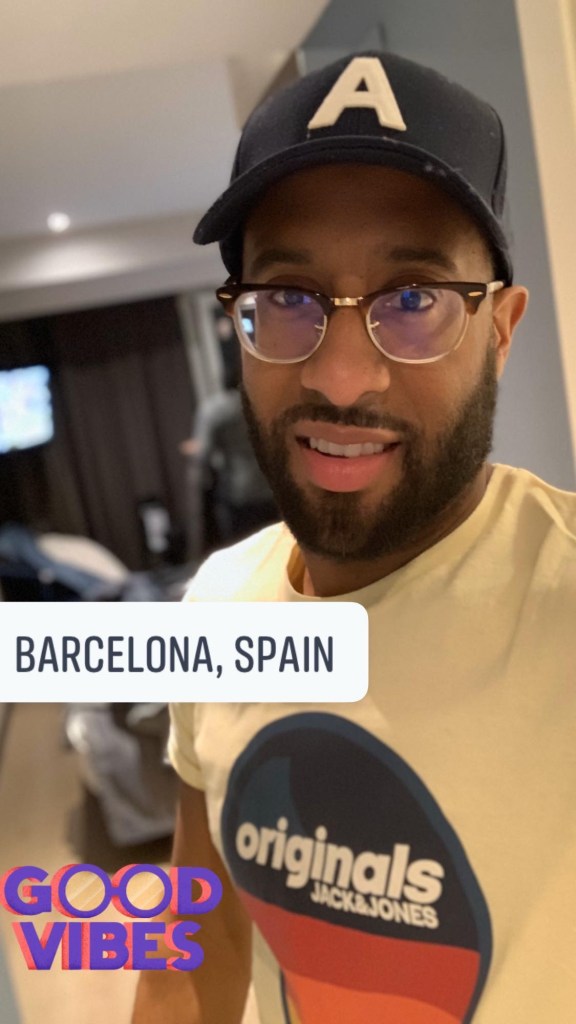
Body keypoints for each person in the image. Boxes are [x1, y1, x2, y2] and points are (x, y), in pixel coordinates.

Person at [132, 51, 576, 1024]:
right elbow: (198, 949)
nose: (339, 377)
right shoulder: (216, 606)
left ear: (501, 329)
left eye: (413, 300)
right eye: (288, 298)